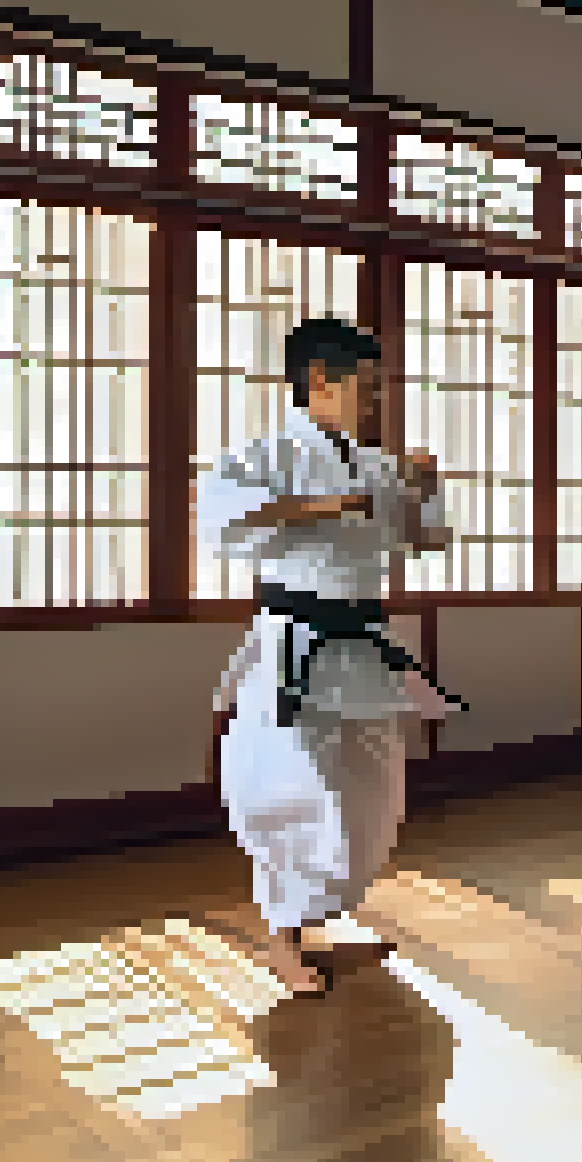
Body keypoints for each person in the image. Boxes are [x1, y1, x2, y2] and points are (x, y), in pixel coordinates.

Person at [200, 318, 463, 996]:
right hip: (295, 641)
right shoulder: (264, 455)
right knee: (291, 789)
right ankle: (282, 938)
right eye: (367, 385)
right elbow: (224, 518)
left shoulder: (376, 464)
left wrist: (425, 487)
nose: (375, 399)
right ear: (319, 378)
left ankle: (321, 912)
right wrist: (338, 502)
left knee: (371, 794)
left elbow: (425, 539)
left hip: (362, 646)